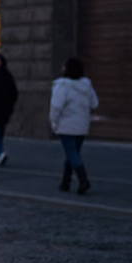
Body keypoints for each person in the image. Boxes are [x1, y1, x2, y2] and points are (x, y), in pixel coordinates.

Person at [50, 57, 98, 195]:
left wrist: (53, 122)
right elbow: (94, 103)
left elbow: (56, 107)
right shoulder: (87, 85)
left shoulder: (62, 86)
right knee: (72, 154)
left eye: (64, 66)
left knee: (72, 154)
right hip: (82, 126)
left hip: (66, 126)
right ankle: (66, 182)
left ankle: (83, 180)